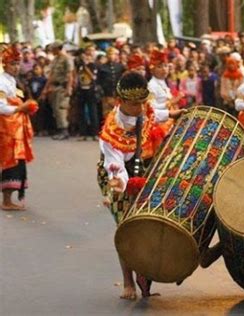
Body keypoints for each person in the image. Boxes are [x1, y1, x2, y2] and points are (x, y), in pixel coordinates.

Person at [97, 71, 185, 300]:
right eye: (135, 104)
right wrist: (124, 184)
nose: (140, 107)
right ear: (121, 101)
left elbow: (155, 115)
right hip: (117, 176)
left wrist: (175, 113)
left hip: (142, 167)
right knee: (126, 227)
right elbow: (115, 166)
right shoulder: (111, 131)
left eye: (142, 103)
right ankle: (128, 283)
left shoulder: (144, 109)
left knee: (149, 221)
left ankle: (145, 272)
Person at [0, 46, 37, 210]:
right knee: (11, 161)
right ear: (5, 64)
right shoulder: (1, 81)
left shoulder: (12, 81)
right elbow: (1, 107)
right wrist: (20, 108)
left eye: (17, 63)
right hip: (8, 129)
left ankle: (10, 198)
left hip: (16, 127)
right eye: (12, 64)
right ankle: (6, 201)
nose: (16, 67)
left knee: (18, 161)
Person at [41, 41, 73, 140]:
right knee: (56, 109)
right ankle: (60, 130)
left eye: (53, 49)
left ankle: (64, 130)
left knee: (61, 109)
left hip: (63, 87)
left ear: (58, 48)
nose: (51, 51)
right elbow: (51, 76)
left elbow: (70, 74)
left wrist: (68, 88)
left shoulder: (67, 59)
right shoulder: (55, 59)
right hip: (55, 87)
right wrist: (46, 88)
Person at [97, 47, 125, 119]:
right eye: (109, 54)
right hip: (107, 95)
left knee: (119, 114)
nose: (111, 56)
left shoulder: (120, 66)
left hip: (118, 95)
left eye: (112, 54)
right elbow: (98, 81)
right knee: (107, 115)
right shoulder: (102, 67)